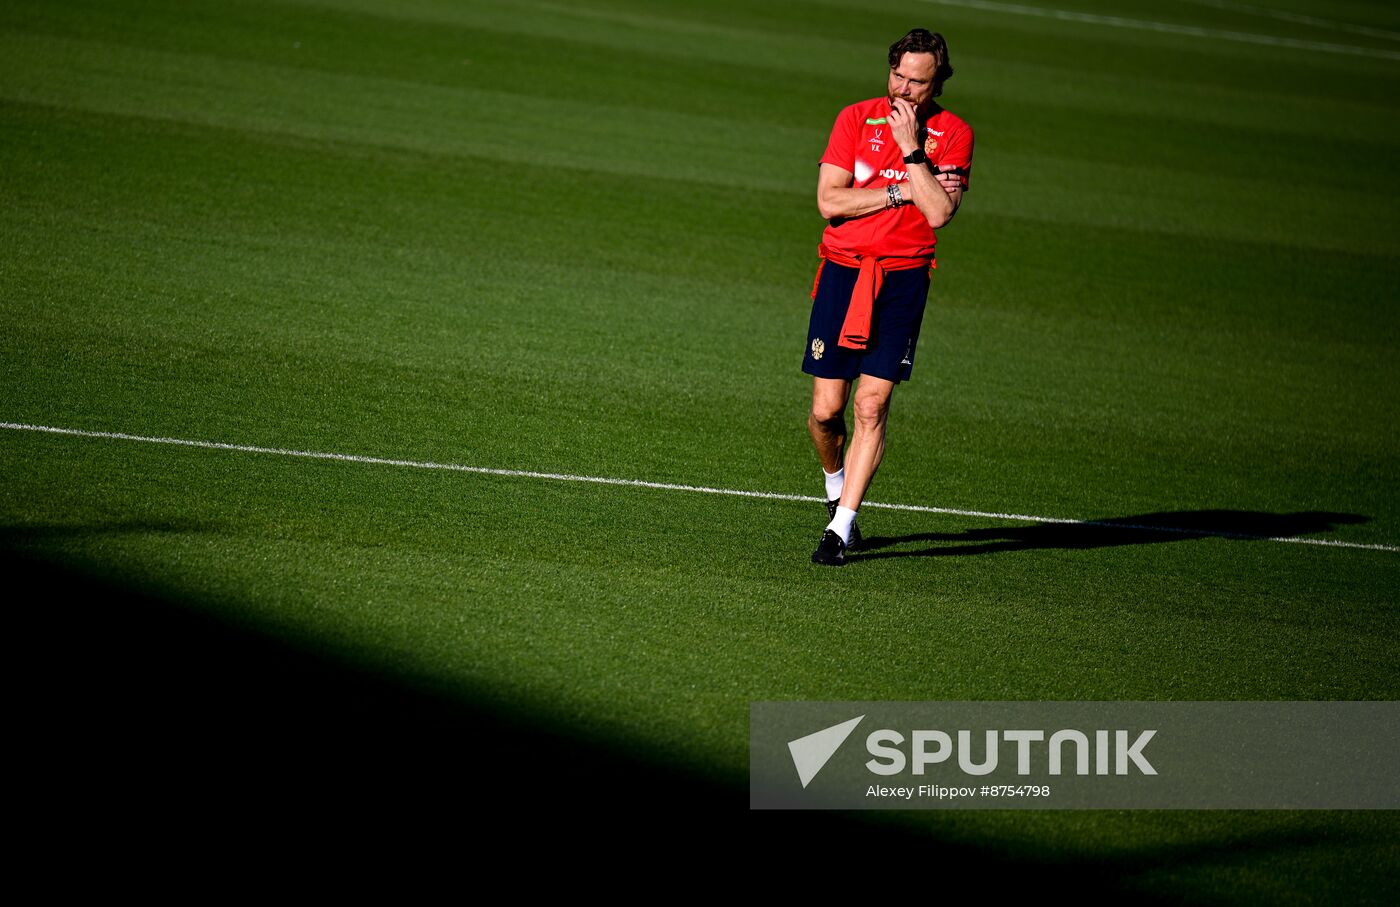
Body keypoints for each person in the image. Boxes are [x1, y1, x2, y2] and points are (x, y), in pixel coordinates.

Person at [804, 28, 973, 566]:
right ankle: (836, 489)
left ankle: (840, 529)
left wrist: (910, 149)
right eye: (898, 75)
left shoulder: (954, 134)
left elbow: (939, 213)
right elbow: (830, 201)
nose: (903, 89)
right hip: (843, 272)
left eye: (917, 81)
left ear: (938, 83)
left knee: (871, 405)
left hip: (902, 281)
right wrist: (900, 191)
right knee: (826, 413)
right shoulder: (855, 119)